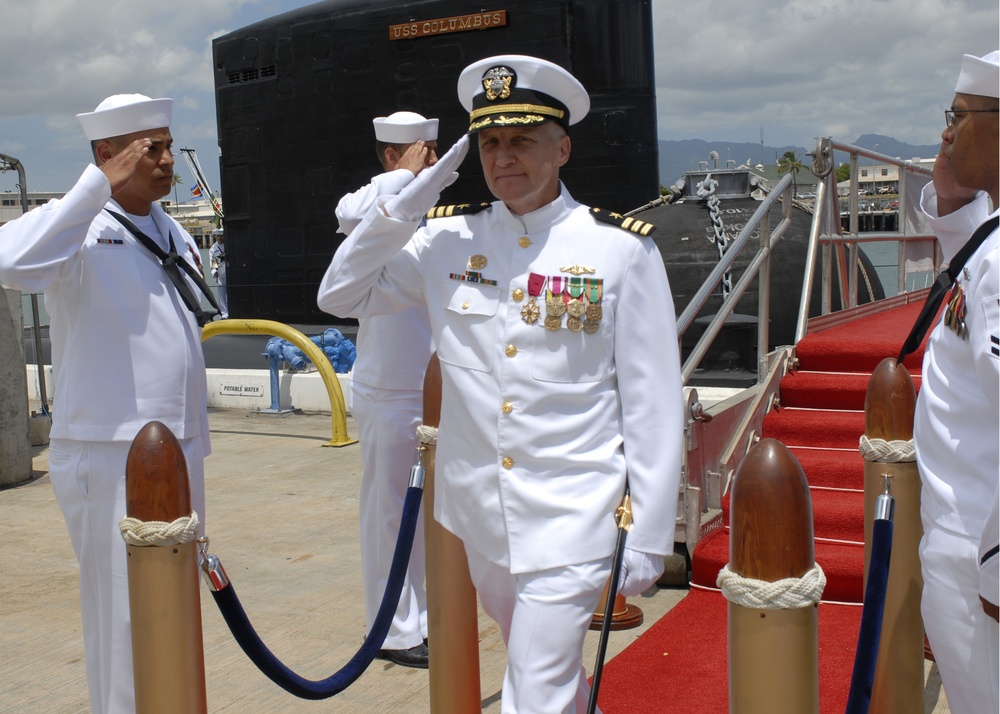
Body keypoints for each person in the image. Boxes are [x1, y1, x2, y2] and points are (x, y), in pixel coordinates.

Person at [318, 55, 683, 712]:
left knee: (531, 694)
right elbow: (341, 293)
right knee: (550, 676)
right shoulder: (445, 240)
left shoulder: (620, 250)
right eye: (490, 142)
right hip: (479, 513)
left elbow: (654, 402)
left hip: (574, 513)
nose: (503, 156)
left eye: (521, 139)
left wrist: (651, 532)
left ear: (562, 146)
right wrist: (406, 204)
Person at [0, 94, 211, 714]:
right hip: (110, 449)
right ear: (107, 154)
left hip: (179, 444)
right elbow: (10, 260)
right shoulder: (82, 225)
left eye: (169, 145)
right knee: (123, 616)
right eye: (152, 148)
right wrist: (95, 187)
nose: (168, 160)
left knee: (171, 605)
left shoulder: (168, 225)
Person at [334, 111, 440, 668]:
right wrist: (405, 178)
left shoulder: (440, 218)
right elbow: (349, 210)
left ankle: (427, 616)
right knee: (389, 514)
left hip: (439, 391)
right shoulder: (370, 210)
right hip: (390, 388)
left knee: (432, 517)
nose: (430, 160)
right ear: (390, 156)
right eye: (419, 151)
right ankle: (394, 631)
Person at [913, 50, 999, 714]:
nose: (946, 131)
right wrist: (950, 187)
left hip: (979, 550)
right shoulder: (990, 239)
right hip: (963, 530)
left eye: (961, 117)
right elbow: (961, 231)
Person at [209, 227, 228, 318]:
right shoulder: (213, 249)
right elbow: (213, 263)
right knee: (221, 294)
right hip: (221, 273)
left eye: (221, 236)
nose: (220, 238)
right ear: (215, 236)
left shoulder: (229, 244)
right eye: (218, 236)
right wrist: (214, 272)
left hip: (231, 273)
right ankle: (224, 314)